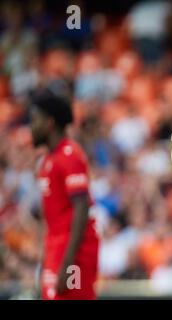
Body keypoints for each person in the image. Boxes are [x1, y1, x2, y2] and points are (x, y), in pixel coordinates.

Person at [30, 91, 99, 299]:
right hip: (56, 249)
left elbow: (81, 207)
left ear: (49, 123)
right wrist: (46, 258)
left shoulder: (70, 156)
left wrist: (68, 262)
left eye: (35, 120)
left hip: (74, 254)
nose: (31, 127)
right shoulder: (48, 161)